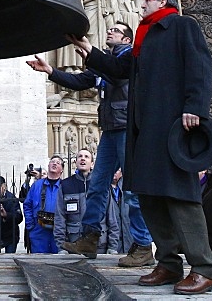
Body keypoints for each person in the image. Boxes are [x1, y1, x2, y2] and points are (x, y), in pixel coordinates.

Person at [69, 0, 212, 294]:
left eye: (146, 0)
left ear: (162, 1)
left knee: (180, 197)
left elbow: (201, 68)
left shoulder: (181, 26)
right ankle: (168, 263)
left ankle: (204, 269)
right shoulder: (144, 36)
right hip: (144, 129)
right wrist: (89, 51)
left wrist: (194, 107)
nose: (141, 6)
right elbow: (119, 69)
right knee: (150, 196)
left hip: (173, 125)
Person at [27, 22, 154, 267]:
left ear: (127, 40)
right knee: (96, 186)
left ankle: (143, 245)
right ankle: (90, 237)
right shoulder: (105, 62)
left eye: (116, 30)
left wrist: (94, 58)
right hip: (109, 130)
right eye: (110, 29)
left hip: (128, 129)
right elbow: (80, 82)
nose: (110, 31)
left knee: (132, 191)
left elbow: (118, 74)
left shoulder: (129, 58)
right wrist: (51, 71)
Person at [54, 149, 98, 252]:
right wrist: (61, 246)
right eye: (80, 156)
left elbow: (112, 218)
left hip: (99, 245)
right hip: (73, 243)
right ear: (75, 162)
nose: (83, 158)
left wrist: (112, 247)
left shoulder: (99, 185)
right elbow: (60, 217)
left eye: (86, 157)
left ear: (92, 164)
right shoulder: (66, 185)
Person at [22, 156, 64, 254]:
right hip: (38, 230)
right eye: (52, 162)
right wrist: (30, 225)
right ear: (48, 165)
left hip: (58, 231)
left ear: (62, 170)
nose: (54, 163)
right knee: (38, 261)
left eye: (58, 163)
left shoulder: (65, 186)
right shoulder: (37, 185)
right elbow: (27, 205)